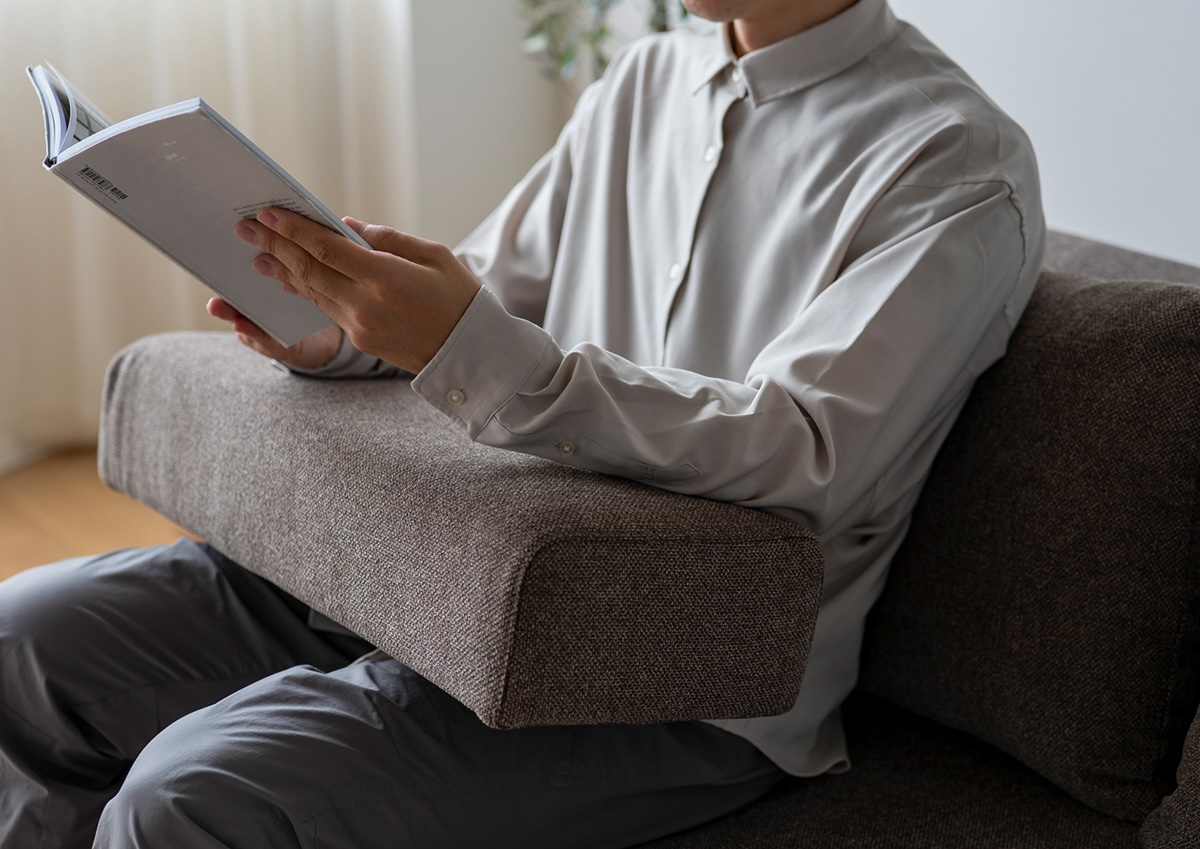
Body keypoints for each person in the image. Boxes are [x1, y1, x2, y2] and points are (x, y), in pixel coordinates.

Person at [0, 0, 1045, 846]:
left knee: (193, 797)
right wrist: (337, 332)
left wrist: (469, 347)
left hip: (674, 677)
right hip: (444, 580)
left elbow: (806, 449)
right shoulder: (643, 80)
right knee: (22, 640)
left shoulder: (951, 159)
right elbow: (493, 304)